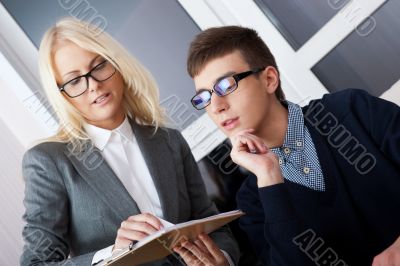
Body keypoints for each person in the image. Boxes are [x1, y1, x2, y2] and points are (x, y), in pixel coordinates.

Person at [20, 18, 239, 266]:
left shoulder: (169, 141)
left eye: (99, 66)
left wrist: (224, 259)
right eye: (74, 81)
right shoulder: (48, 161)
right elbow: (36, 262)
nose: (93, 85)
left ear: (116, 64)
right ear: (62, 95)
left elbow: (212, 225)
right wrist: (113, 254)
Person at [186, 25, 400, 266]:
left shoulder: (351, 110)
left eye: (226, 86)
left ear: (269, 79)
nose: (216, 106)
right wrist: (269, 176)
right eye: (203, 98)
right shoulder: (254, 200)